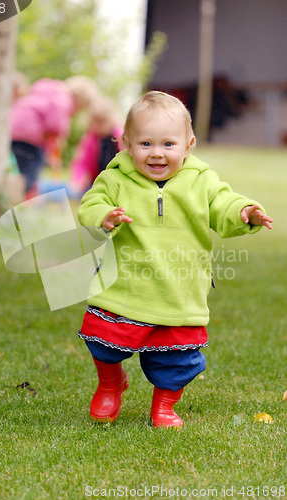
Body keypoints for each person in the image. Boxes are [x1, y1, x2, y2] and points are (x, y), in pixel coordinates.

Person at [77, 91, 273, 428]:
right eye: (145, 144)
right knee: (105, 341)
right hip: (125, 284)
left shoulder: (201, 181)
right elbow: (91, 202)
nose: (156, 153)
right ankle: (111, 383)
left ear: (188, 144)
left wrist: (243, 212)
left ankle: (164, 406)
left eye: (168, 144)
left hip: (178, 289)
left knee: (177, 358)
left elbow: (222, 203)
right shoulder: (115, 178)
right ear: (125, 143)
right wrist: (104, 215)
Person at [10, 75, 98, 199]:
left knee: (21, 166)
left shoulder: (48, 92)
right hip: (29, 137)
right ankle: (25, 196)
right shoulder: (63, 100)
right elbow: (55, 125)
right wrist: (60, 137)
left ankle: (21, 192)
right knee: (31, 168)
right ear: (79, 101)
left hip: (14, 129)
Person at [68, 96, 124, 197]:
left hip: (118, 184)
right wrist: (79, 179)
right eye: (95, 122)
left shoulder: (120, 138)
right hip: (97, 184)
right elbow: (81, 163)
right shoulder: (91, 140)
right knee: (74, 192)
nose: (98, 126)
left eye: (102, 122)